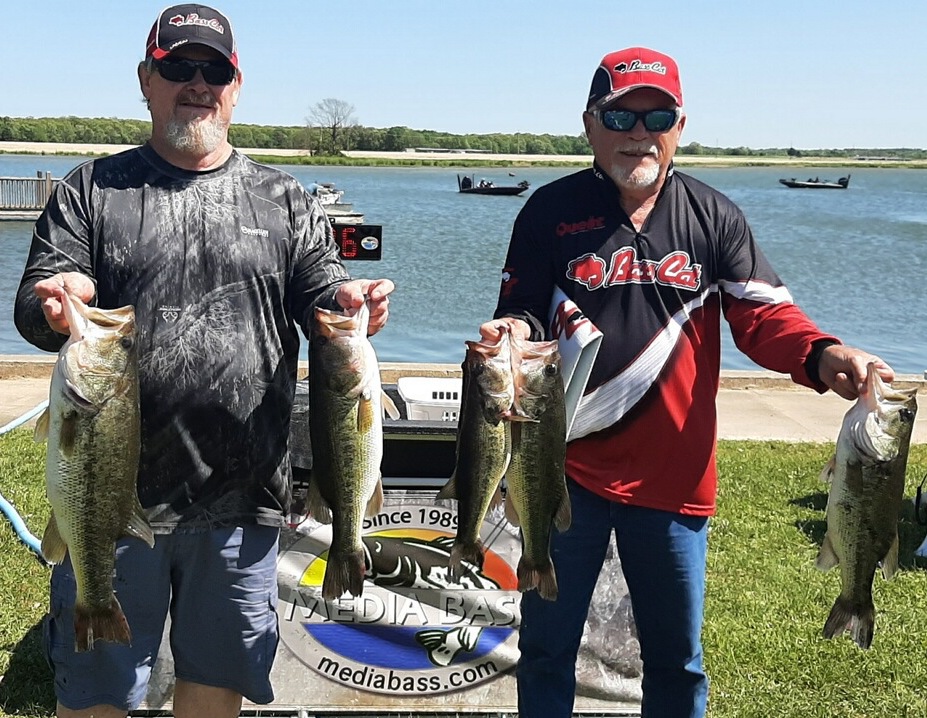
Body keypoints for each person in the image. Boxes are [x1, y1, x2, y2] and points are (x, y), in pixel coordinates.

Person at [479, 47, 894, 718]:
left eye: (657, 117)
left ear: (680, 126)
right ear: (589, 124)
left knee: (676, 662)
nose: (638, 134)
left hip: (674, 477)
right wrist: (511, 334)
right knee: (547, 650)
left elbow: (762, 316)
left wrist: (821, 354)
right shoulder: (548, 211)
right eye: (621, 116)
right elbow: (521, 310)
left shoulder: (713, 214)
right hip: (562, 471)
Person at [13, 5, 393, 717]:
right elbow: (33, 312)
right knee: (97, 694)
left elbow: (324, 292)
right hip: (113, 497)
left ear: (236, 87)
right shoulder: (90, 191)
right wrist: (58, 300)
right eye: (177, 67)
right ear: (145, 80)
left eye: (213, 70)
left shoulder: (286, 200)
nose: (197, 83)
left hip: (241, 499)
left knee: (215, 689)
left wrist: (351, 299)